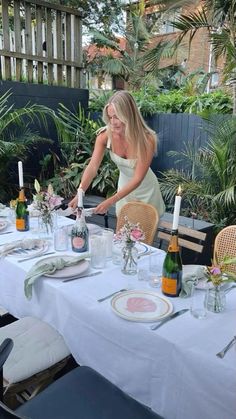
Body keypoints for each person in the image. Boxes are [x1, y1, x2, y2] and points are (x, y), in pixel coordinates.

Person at [69, 90, 165, 217]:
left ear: (129, 115)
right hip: (123, 191)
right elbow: (92, 167)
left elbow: (138, 179)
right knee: (122, 235)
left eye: (117, 117)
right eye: (110, 117)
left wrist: (111, 200)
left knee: (145, 233)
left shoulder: (147, 139)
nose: (113, 122)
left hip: (146, 190)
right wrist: (80, 193)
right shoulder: (105, 136)